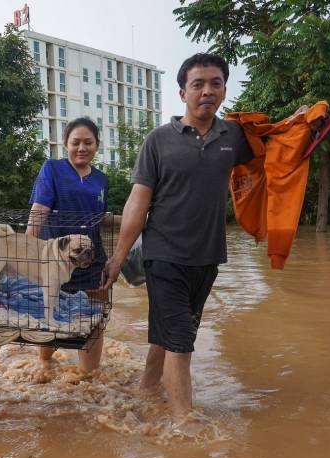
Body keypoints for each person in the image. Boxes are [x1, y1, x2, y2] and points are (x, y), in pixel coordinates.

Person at [102, 53, 256, 432]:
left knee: (168, 335)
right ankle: (184, 422)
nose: (207, 91)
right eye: (198, 84)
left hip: (207, 257)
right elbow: (137, 203)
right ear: (182, 92)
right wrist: (119, 257)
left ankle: (146, 390)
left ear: (224, 89)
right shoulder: (158, 141)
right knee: (182, 340)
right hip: (163, 255)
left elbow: (279, 154)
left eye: (215, 83)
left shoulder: (233, 137)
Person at [27, 117, 119, 373]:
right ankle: (45, 365)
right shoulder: (52, 169)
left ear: (97, 145)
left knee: (95, 318)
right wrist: (26, 250)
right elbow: (39, 210)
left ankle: (89, 376)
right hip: (56, 259)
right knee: (51, 314)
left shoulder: (101, 179)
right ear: (65, 144)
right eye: (75, 142)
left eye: (88, 142)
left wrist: (140, 221)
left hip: (93, 261)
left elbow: (100, 219)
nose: (82, 148)